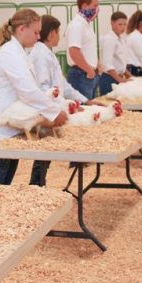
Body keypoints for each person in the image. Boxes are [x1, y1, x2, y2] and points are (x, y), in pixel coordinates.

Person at [0, 9, 67, 185]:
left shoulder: (20, 52)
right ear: (21, 29)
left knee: (4, 187)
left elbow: (32, 90)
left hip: (8, 129)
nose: (38, 36)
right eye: (35, 32)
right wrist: (54, 112)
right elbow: (28, 91)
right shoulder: (10, 53)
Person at [28, 14, 86, 187]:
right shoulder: (41, 55)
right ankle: (36, 186)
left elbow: (62, 85)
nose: (59, 36)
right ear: (52, 33)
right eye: (58, 32)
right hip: (46, 109)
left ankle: (39, 185)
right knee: (44, 151)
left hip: (53, 107)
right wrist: (60, 107)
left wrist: (84, 100)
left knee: (46, 152)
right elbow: (44, 87)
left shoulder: (47, 54)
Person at [65, 0, 102, 100]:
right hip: (81, 75)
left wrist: (96, 65)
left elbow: (89, 48)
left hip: (88, 74)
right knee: (85, 111)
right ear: (85, 6)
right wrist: (89, 70)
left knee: (91, 111)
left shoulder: (87, 24)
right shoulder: (77, 25)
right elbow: (74, 52)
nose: (97, 10)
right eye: (95, 6)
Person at [99, 11, 131, 95]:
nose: (123, 27)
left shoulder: (121, 39)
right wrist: (120, 80)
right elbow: (108, 64)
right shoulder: (109, 39)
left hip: (118, 77)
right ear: (112, 23)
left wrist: (129, 76)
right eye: (120, 24)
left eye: (125, 24)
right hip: (109, 79)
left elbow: (120, 62)